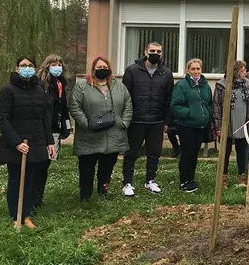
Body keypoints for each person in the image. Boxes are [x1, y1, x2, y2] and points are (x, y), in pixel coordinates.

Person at [0, 56, 54, 229]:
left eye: (30, 65)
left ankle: (27, 215)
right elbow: (3, 119)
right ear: (16, 69)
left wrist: (49, 141)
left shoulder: (39, 90)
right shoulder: (8, 90)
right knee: (16, 180)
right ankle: (16, 215)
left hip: (35, 143)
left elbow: (44, 117)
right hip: (16, 144)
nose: (27, 68)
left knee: (30, 180)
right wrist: (16, 142)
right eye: (23, 65)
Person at [69, 56, 132, 201]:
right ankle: (86, 195)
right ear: (93, 69)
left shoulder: (119, 86)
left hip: (113, 134)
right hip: (89, 135)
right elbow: (74, 106)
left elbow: (128, 104)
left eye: (105, 67)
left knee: (107, 166)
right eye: (99, 67)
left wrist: (124, 122)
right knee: (87, 167)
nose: (102, 70)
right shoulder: (83, 86)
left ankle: (103, 190)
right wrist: (86, 124)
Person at [121, 41, 173, 197]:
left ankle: (150, 180)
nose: (155, 54)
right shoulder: (132, 71)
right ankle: (127, 183)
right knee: (131, 153)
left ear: (162, 53)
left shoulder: (166, 73)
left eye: (158, 51)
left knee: (154, 152)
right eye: (152, 51)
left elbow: (168, 98)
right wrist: (126, 117)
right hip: (136, 120)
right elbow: (125, 96)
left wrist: (166, 121)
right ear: (145, 51)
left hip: (156, 120)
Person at [34, 54, 71, 208]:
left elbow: (63, 107)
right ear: (47, 65)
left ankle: (38, 198)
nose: (57, 66)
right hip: (42, 130)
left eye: (60, 63)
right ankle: (32, 199)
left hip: (55, 129)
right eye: (54, 63)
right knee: (38, 164)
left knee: (46, 164)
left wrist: (67, 126)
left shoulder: (61, 84)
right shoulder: (41, 85)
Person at [171, 59, 212, 193]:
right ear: (188, 70)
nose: (195, 71)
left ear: (201, 69)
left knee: (194, 154)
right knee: (186, 153)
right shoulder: (182, 85)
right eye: (193, 69)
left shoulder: (205, 85)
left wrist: (207, 115)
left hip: (200, 126)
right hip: (186, 125)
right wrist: (189, 113)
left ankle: (191, 178)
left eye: (198, 69)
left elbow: (208, 103)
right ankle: (184, 181)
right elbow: (175, 106)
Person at [213, 61, 249, 188]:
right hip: (227, 124)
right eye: (241, 70)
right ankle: (223, 178)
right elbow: (216, 106)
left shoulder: (248, 85)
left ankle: (242, 177)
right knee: (225, 152)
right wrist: (218, 126)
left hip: (242, 123)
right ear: (234, 72)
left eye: (245, 69)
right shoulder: (222, 85)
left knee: (242, 151)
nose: (244, 72)